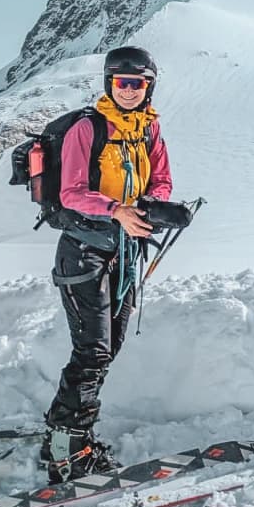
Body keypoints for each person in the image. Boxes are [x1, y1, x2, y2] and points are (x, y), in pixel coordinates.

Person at [39, 45, 174, 484]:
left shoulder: (148, 132)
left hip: (126, 253)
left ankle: (69, 434)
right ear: (109, 83)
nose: (131, 91)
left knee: (108, 346)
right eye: (122, 82)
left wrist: (157, 208)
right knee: (93, 349)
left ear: (149, 87)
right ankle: (65, 446)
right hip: (84, 250)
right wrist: (117, 210)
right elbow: (71, 192)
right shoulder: (89, 128)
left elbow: (161, 179)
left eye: (139, 83)